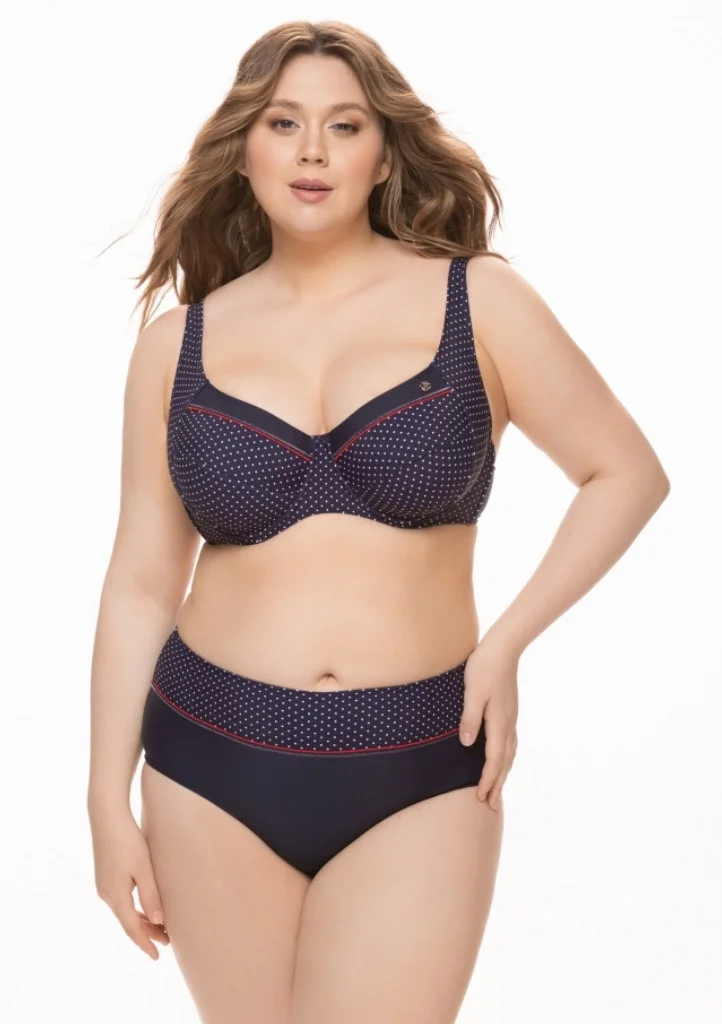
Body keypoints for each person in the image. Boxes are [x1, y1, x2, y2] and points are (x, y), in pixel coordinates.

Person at [86, 19, 670, 1024]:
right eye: (283, 123)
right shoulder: (176, 346)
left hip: (421, 760)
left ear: (383, 153)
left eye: (344, 126)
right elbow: (141, 581)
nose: (312, 150)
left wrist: (504, 644)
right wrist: (106, 795)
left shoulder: (477, 301)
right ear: (244, 149)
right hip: (208, 760)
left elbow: (624, 474)